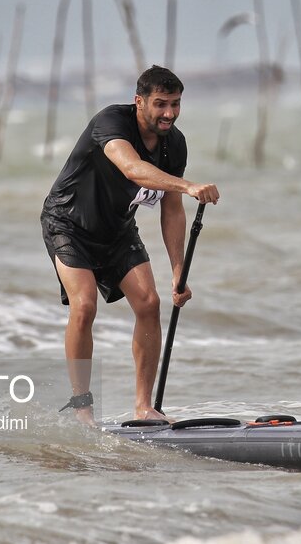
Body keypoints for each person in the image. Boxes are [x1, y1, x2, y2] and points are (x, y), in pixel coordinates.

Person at [41, 65, 220, 425]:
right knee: (85, 305)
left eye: (175, 104)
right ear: (139, 102)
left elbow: (170, 210)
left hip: (117, 229)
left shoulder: (174, 144)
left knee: (150, 302)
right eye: (160, 104)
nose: (169, 113)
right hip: (68, 223)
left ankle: (144, 407)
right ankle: (82, 408)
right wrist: (186, 185)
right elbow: (132, 169)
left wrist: (177, 273)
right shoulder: (111, 122)